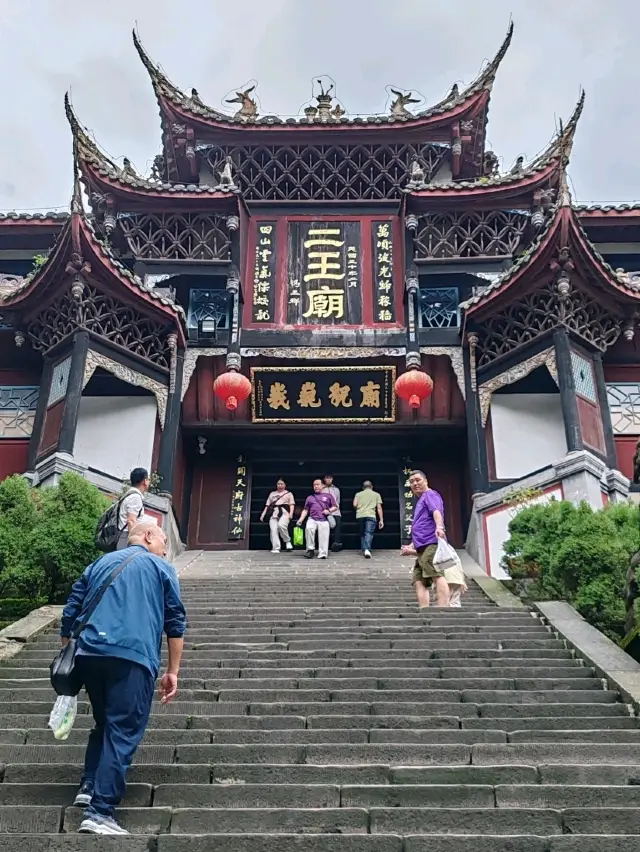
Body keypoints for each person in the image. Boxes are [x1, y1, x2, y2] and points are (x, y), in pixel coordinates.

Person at [60, 520, 186, 836]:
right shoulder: (161, 568)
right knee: (122, 729)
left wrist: (68, 656)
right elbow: (175, 622)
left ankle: (89, 785)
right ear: (148, 536)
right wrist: (172, 671)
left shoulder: (99, 564)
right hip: (133, 656)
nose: (165, 550)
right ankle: (100, 812)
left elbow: (71, 611)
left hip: (89, 654)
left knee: (104, 722)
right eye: (164, 542)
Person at [401, 470, 450, 607]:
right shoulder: (421, 500)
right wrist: (411, 546)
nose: (415, 483)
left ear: (426, 481)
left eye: (418, 480)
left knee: (436, 574)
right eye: (411, 482)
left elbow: (436, 511)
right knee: (418, 580)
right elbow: (422, 526)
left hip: (431, 542)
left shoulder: (430, 494)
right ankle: (424, 609)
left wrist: (439, 527)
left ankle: (443, 608)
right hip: (421, 546)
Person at [297, 478, 338, 559]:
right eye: (314, 485)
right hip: (312, 518)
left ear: (323, 485)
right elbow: (305, 510)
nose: (316, 486)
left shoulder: (328, 496)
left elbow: (335, 507)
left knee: (324, 536)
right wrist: (300, 519)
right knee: (309, 529)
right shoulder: (310, 497)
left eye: (318, 484)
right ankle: (310, 550)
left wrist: (328, 510)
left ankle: (323, 553)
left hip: (324, 519)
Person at [116, 468, 150, 550]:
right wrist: (134, 543)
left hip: (123, 536)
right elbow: (131, 521)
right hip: (126, 538)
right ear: (145, 481)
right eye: (148, 479)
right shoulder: (135, 497)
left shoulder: (130, 494)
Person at [259, 478, 295, 553]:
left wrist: (291, 514)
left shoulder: (289, 494)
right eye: (278, 484)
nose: (280, 486)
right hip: (273, 513)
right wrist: (263, 514)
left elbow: (291, 504)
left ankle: (287, 541)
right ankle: (276, 547)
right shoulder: (272, 494)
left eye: (282, 484)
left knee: (281, 525)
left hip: (284, 512)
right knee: (273, 530)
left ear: (285, 485)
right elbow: (267, 505)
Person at [353, 480, 384, 558]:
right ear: (372, 487)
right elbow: (379, 508)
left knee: (362, 533)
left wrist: (359, 508)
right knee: (368, 533)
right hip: (371, 515)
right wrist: (381, 520)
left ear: (363, 487)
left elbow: (354, 504)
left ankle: (364, 549)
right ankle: (367, 549)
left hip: (360, 515)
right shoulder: (376, 494)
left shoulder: (358, 494)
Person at [322, 474, 342, 552]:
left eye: (330, 478)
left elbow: (338, 501)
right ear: (324, 479)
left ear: (332, 479)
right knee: (326, 528)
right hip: (325, 511)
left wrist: (333, 509)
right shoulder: (322, 489)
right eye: (327, 478)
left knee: (337, 528)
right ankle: (326, 545)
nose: (328, 480)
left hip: (336, 511)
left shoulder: (336, 489)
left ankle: (336, 545)